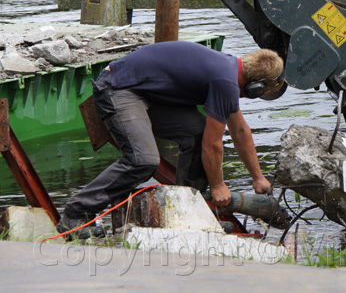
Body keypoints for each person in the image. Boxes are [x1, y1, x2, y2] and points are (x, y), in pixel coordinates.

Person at [56, 41, 284, 238]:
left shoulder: (228, 72)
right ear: (256, 88)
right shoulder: (225, 81)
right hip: (118, 88)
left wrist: (258, 178)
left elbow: (241, 132)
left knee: (195, 131)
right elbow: (212, 145)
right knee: (143, 160)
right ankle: (76, 213)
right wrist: (218, 186)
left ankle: (187, 211)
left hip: (148, 93)